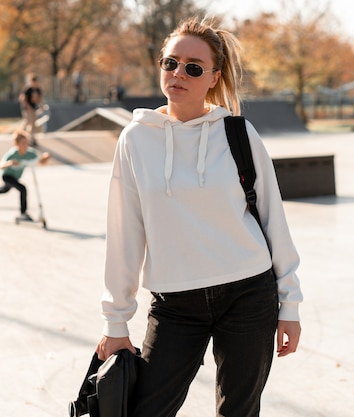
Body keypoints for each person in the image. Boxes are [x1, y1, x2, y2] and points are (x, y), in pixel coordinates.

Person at [95, 17, 302, 417]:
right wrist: (115, 322)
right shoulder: (136, 138)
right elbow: (124, 234)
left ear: (213, 77)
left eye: (193, 67)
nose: (178, 74)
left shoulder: (238, 134)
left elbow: (274, 220)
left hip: (248, 294)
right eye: (170, 63)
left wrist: (290, 305)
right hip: (175, 304)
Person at [0, 130, 50, 219]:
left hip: (16, 177)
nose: (25, 145)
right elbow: (0, 165)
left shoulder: (30, 153)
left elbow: (40, 162)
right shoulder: (12, 154)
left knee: (5, 189)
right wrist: (10, 163)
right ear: (16, 144)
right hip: (7, 176)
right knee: (22, 188)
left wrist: (45, 158)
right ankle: (23, 213)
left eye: (26, 143)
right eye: (22, 143)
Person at [19, 73, 43, 141]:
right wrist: (28, 107)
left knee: (33, 123)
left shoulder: (38, 89)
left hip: (33, 108)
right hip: (27, 108)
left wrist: (41, 106)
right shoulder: (28, 89)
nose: (35, 84)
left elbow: (40, 99)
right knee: (27, 121)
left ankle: (32, 137)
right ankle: (21, 135)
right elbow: (23, 99)